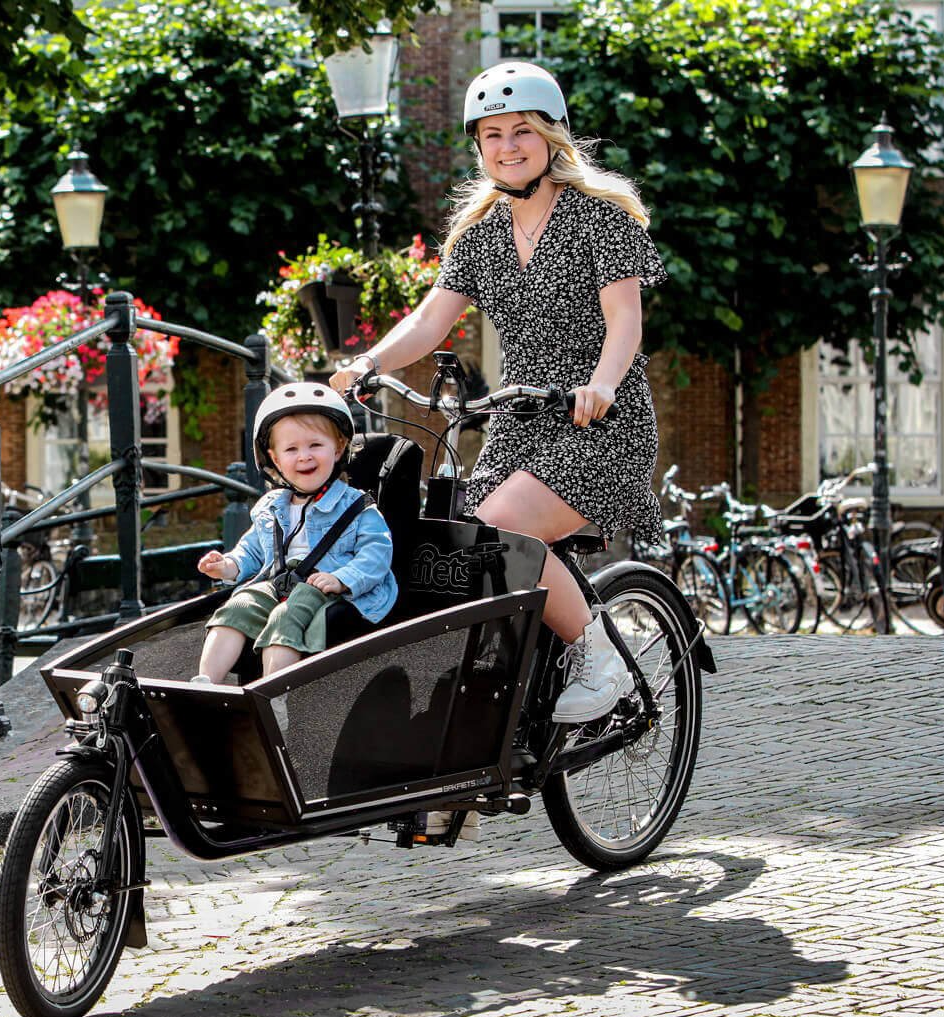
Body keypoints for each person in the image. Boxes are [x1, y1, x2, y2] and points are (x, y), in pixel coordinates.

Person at [329, 60, 667, 724]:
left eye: (521, 132)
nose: (508, 147)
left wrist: (600, 383)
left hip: (599, 420)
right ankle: (492, 714)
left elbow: (625, 320)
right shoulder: (480, 235)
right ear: (478, 146)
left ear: (551, 137)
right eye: (492, 135)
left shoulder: (600, 218)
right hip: (519, 420)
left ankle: (602, 659)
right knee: (456, 547)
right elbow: (430, 321)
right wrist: (365, 362)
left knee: (501, 527)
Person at [194, 384, 398, 684]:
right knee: (237, 606)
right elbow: (252, 551)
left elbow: (377, 554)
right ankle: (205, 684)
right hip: (275, 581)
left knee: (284, 617)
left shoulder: (357, 508)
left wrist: (343, 579)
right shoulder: (271, 508)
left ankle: (274, 699)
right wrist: (227, 565)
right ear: (275, 460)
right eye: (291, 449)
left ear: (338, 448)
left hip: (321, 585)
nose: (304, 457)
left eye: (315, 445)